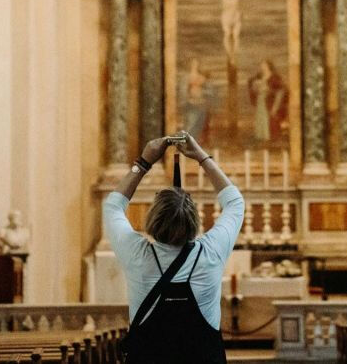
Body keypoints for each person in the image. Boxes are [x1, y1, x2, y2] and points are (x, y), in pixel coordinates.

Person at [103, 133, 244, 363]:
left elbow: (113, 206)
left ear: (153, 220)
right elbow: (235, 202)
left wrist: (143, 162)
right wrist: (201, 156)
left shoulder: (138, 256)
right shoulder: (210, 253)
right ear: (193, 220)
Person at [248, 59, 288, 144]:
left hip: (270, 100)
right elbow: (252, 85)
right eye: (261, 65)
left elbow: (281, 90)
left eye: (264, 65)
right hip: (261, 100)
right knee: (261, 117)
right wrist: (255, 88)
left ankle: (269, 137)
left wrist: (269, 90)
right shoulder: (259, 76)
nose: (262, 67)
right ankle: (261, 136)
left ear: (268, 66)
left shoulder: (274, 77)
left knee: (269, 118)